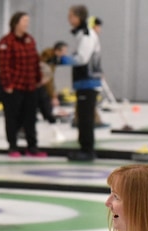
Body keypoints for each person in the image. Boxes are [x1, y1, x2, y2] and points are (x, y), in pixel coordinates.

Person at [58, 4, 102, 161]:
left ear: (79, 17)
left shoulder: (87, 35)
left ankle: (87, 150)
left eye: (71, 16)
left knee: (85, 118)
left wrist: (61, 59)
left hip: (88, 82)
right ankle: (85, 148)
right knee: (83, 117)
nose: (69, 19)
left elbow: (82, 58)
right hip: (83, 82)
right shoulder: (81, 34)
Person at [0, 12, 42, 157]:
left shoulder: (30, 40)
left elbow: (36, 60)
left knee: (30, 117)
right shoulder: (6, 42)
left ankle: (32, 146)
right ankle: (13, 146)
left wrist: (38, 78)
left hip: (30, 85)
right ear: (16, 23)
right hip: (14, 87)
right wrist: (7, 84)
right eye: (24, 21)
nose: (27, 23)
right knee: (12, 118)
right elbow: (4, 65)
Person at [38, 41, 68, 143]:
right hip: (38, 86)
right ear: (57, 50)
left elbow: (50, 79)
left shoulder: (52, 59)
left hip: (41, 86)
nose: (64, 55)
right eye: (63, 52)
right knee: (45, 109)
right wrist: (53, 96)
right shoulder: (48, 60)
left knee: (45, 109)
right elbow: (48, 80)